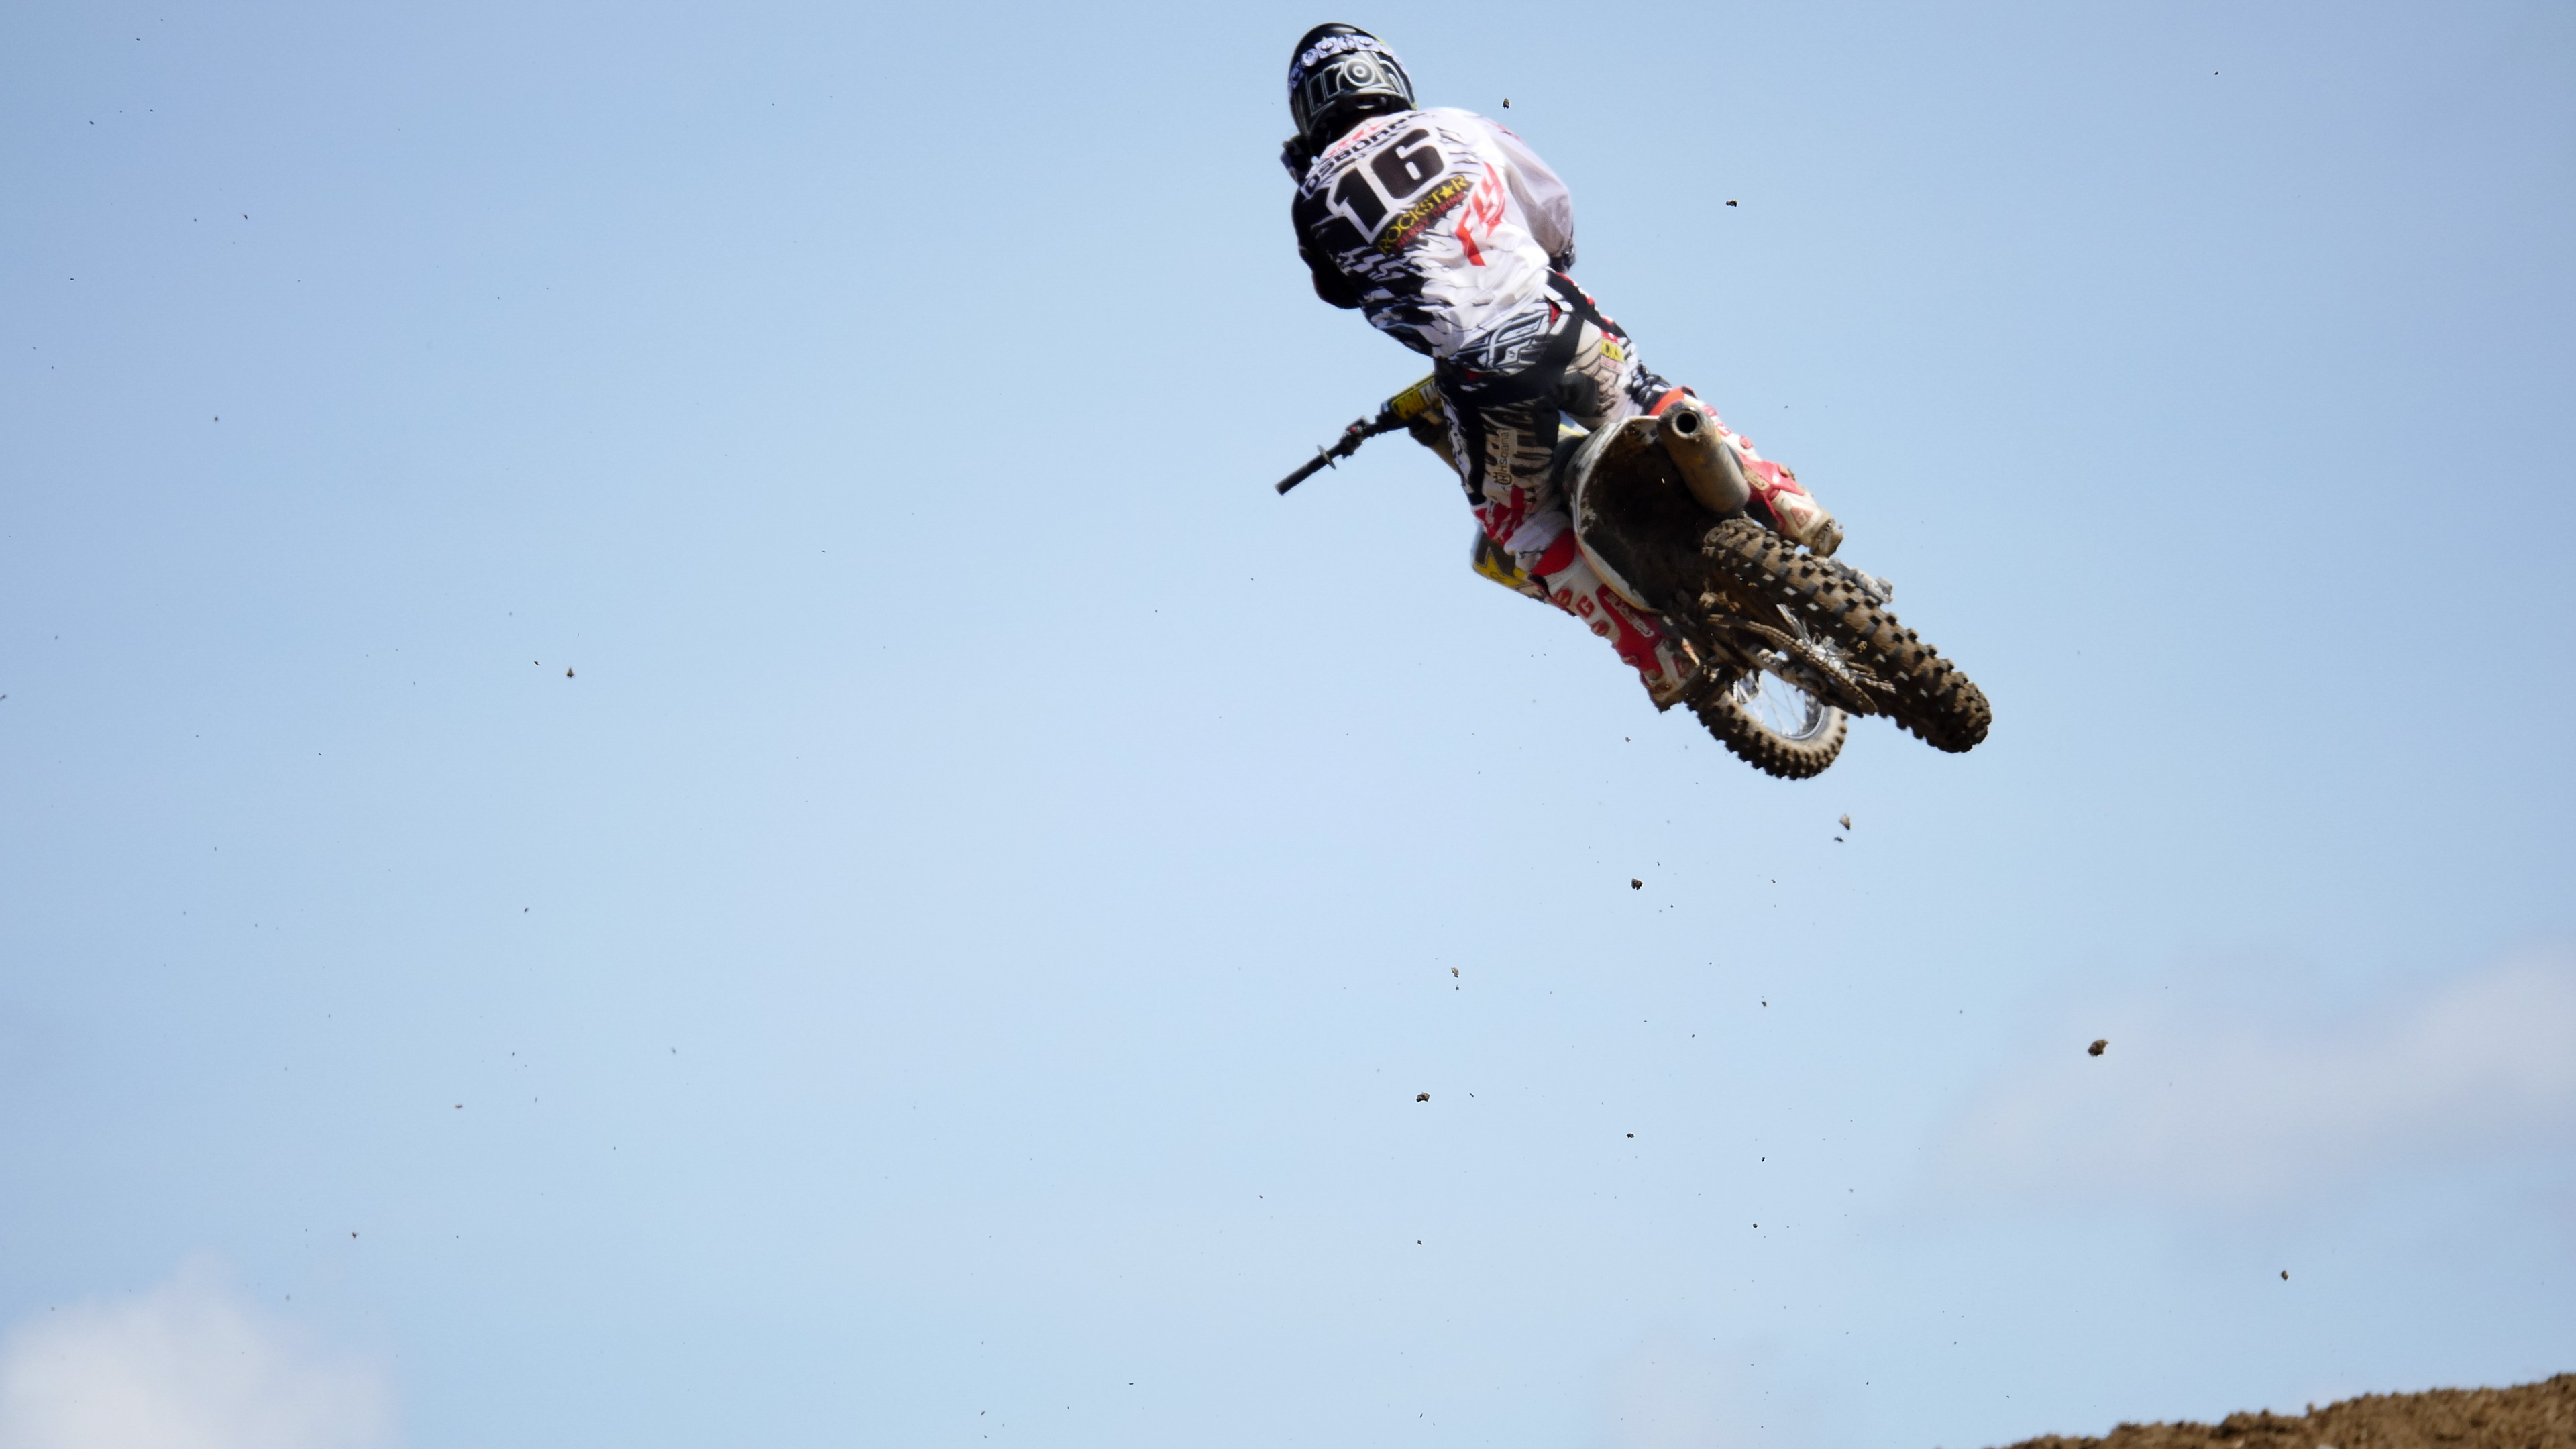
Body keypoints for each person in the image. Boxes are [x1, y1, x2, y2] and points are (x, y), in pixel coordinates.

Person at [1282, 23, 1841, 708]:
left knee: (1519, 524)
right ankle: (1779, 495)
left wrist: (1317, 181)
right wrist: (1554, 262)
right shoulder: (1455, 124)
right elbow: (1552, 201)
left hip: (1482, 378)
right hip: (1557, 317)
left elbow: (1346, 293)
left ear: (1306, 110)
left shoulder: (1312, 199)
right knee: (1647, 395)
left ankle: (1656, 652)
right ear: (1389, 76)